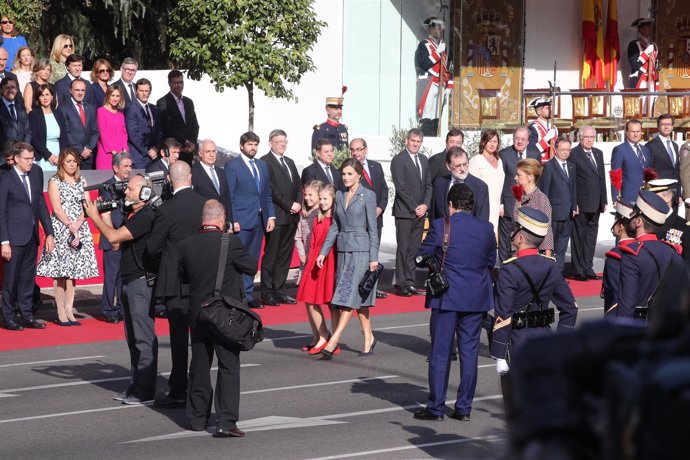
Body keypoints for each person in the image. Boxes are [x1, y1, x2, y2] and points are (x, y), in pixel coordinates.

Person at [412, 183, 495, 422]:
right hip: (476, 298)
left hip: (446, 297)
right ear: (471, 205)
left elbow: (421, 256)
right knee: (469, 354)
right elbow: (490, 261)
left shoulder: (441, 226)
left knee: (440, 353)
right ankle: (464, 408)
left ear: (450, 205)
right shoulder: (486, 228)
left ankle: (436, 407)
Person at [178, 199, 256, 437]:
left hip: (198, 311)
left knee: (199, 364)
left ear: (203, 220)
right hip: (225, 313)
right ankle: (226, 420)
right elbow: (251, 267)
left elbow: (184, 278)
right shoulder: (229, 242)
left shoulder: (186, 244)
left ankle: (197, 418)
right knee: (228, 364)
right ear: (222, 220)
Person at [84, 174, 158, 404]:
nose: (126, 192)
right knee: (133, 338)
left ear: (145, 193)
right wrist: (105, 214)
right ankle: (136, 385)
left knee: (143, 338)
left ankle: (146, 390)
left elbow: (115, 236)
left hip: (140, 283)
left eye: (131, 189)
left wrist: (94, 216)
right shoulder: (133, 214)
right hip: (128, 282)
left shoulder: (146, 215)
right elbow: (115, 243)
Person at [146, 161, 207, 408]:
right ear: (190, 177)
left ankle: (179, 387)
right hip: (201, 278)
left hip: (175, 282)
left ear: (170, 180)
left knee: (179, 339)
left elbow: (152, 247)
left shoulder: (166, 209)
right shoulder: (204, 204)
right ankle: (199, 386)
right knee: (201, 337)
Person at [490, 206, 577, 374]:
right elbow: (570, 308)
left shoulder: (509, 270)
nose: (512, 232)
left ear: (520, 237)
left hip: (518, 341)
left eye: (515, 228)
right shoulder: (550, 265)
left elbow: (503, 314)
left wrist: (499, 354)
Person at [316, 158, 379, 358]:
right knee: (358, 300)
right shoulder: (340, 194)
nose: (345, 177)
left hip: (361, 252)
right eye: (343, 174)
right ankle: (368, 338)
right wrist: (323, 251)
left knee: (348, 298)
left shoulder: (368, 195)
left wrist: (374, 257)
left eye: (350, 173)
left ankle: (333, 340)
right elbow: (335, 226)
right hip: (343, 250)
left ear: (359, 174)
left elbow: (373, 229)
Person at [36, 148, 99, 325]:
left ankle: (70, 310)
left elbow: (87, 205)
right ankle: (60, 312)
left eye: (75, 161)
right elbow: (56, 208)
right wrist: (70, 225)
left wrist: (78, 223)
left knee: (73, 273)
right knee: (61, 273)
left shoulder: (82, 180)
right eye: (69, 161)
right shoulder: (55, 181)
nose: (72, 164)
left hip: (79, 228)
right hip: (61, 228)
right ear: (62, 162)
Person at [0, 142, 55, 331]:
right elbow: (2, 212)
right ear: (16, 159)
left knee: (27, 279)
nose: (30, 162)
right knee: (11, 280)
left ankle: (27, 315)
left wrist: (49, 232)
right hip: (13, 238)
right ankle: (7, 316)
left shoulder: (36, 173)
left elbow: (40, 202)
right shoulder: (5, 177)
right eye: (26, 159)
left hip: (32, 235)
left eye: (32, 158)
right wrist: (4, 241)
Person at [226, 131, 276, 309]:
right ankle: (236, 295)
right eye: (249, 144)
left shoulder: (262, 165)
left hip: (259, 220)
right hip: (242, 220)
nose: (253, 148)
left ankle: (248, 295)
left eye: (255, 144)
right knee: (238, 259)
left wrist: (270, 215)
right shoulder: (233, 166)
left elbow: (266, 193)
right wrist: (234, 219)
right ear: (241, 146)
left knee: (252, 260)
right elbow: (230, 195)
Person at [616, 190, 682, 319]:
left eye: (633, 213)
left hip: (641, 329)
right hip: (668, 328)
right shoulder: (673, 251)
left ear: (639, 222)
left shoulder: (632, 255)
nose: (630, 215)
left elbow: (626, 305)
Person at [260, 129, 301, 306]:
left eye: (285, 141)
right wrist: (288, 204)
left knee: (284, 256)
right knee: (271, 255)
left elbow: (298, 185)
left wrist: (298, 203)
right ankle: (267, 292)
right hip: (276, 216)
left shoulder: (290, 162)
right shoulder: (265, 162)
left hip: (292, 217)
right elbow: (271, 189)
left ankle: (280, 291)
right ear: (270, 143)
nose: (282, 144)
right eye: (279, 141)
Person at [391, 128, 431, 296]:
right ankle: (401, 283)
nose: (415, 144)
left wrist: (425, 205)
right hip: (405, 212)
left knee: (414, 249)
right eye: (413, 141)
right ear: (407, 141)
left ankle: (410, 281)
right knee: (403, 248)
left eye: (418, 141)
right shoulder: (399, 160)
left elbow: (428, 185)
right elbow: (400, 187)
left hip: (420, 213)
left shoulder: (423, 159)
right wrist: (415, 206)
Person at [297, 184, 335, 354]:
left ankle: (324, 337)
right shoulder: (317, 217)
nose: (322, 202)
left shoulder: (333, 219)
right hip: (313, 260)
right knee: (309, 300)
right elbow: (311, 242)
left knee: (316, 301)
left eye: (325, 198)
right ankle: (318, 336)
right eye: (321, 199)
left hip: (325, 262)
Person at [350, 137, 389, 298]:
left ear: (365, 149)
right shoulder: (348, 170)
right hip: (360, 222)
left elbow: (384, 190)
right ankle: (358, 287)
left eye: (359, 149)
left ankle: (372, 287)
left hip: (376, 219)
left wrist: (380, 207)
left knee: (373, 254)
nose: (356, 153)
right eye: (353, 150)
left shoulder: (376, 167)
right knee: (360, 255)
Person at [98, 152, 133, 324]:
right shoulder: (107, 187)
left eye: (130, 166)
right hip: (112, 238)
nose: (129, 169)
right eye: (125, 166)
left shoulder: (132, 186)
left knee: (123, 277)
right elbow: (106, 214)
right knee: (111, 277)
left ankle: (121, 308)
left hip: (128, 237)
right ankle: (108, 309)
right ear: (115, 167)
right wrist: (114, 238)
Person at [569, 126, 607, 281]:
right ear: (580, 138)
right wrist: (574, 203)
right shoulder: (574, 154)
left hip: (596, 202)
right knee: (578, 236)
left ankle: (588, 266)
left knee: (591, 236)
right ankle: (578, 269)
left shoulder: (598, 153)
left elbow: (601, 178)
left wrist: (603, 199)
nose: (589, 140)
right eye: (586, 137)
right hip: (581, 203)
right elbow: (572, 181)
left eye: (592, 137)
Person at [498, 127, 541, 263]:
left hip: (529, 206)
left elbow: (538, 180)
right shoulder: (504, 154)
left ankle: (522, 268)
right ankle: (505, 269)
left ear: (528, 141)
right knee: (506, 240)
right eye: (517, 138)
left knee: (525, 239)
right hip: (509, 204)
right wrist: (500, 204)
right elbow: (499, 181)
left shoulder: (535, 154)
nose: (520, 142)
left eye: (523, 139)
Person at [538, 138, 577, 272]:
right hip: (554, 213)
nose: (565, 153)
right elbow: (545, 190)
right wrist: (545, 211)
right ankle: (548, 272)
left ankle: (558, 273)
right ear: (556, 150)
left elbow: (574, 188)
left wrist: (574, 205)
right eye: (563, 150)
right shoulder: (549, 166)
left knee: (562, 245)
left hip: (568, 213)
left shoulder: (571, 166)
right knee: (550, 245)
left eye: (568, 150)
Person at [414, 17, 453, 136]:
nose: (440, 30)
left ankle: (435, 137)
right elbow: (425, 64)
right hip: (430, 82)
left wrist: (449, 86)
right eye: (437, 27)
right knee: (427, 114)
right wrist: (437, 53)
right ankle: (424, 139)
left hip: (441, 84)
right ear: (431, 29)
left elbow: (449, 69)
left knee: (437, 116)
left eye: (441, 28)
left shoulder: (443, 48)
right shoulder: (424, 44)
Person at [430, 146, 489, 221]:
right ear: (448, 166)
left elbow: (482, 222)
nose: (463, 169)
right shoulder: (439, 183)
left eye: (465, 164)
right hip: (442, 231)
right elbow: (433, 217)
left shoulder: (480, 187)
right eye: (458, 166)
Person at [156, 69, 199, 165]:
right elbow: (167, 128)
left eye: (181, 82)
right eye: (176, 83)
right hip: (174, 151)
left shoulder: (188, 102)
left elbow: (195, 125)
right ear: (169, 84)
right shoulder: (163, 102)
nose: (179, 85)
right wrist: (185, 142)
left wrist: (192, 143)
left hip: (189, 151)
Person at [513, 158, 554, 256]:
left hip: (533, 255)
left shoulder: (541, 199)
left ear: (530, 177)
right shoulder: (520, 197)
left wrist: (547, 259)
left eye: (519, 175)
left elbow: (547, 230)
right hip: (517, 253)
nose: (515, 178)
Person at [602, 200, 636, 316]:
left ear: (621, 227)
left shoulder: (616, 255)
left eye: (616, 219)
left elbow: (615, 297)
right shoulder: (642, 249)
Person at [58, 78, 99, 170]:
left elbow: (95, 131)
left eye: (83, 90)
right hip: (71, 156)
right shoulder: (63, 108)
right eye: (77, 90)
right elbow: (66, 132)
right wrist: (80, 150)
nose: (80, 93)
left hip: (88, 156)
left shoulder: (91, 108)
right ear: (70, 91)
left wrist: (88, 148)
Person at [469, 129, 504, 234]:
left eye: (495, 141)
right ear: (483, 142)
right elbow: (471, 186)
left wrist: (500, 205)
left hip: (495, 206)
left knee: (492, 236)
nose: (492, 144)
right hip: (482, 206)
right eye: (489, 141)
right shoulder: (476, 160)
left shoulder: (499, 160)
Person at [610, 119, 650, 205]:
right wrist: (615, 198)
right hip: (628, 198)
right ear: (626, 132)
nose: (636, 134)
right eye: (632, 132)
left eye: (638, 131)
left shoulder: (645, 150)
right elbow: (615, 175)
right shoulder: (620, 150)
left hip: (645, 198)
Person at [191, 139, 233, 221]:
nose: (211, 154)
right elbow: (192, 201)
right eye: (208, 151)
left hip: (223, 221)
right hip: (205, 222)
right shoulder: (194, 173)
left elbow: (227, 198)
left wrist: (230, 221)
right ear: (200, 153)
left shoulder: (222, 172)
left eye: (214, 151)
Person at [125, 78, 162, 170]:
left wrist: (156, 148)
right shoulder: (131, 108)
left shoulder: (154, 108)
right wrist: (148, 151)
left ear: (150, 92)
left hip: (155, 156)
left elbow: (160, 131)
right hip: (140, 158)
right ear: (136, 91)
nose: (144, 93)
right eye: (141, 91)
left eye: (147, 91)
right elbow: (133, 134)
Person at [647, 114, 680, 210]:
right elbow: (648, 172)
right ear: (658, 126)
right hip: (659, 194)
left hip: (674, 194)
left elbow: (676, 170)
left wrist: (678, 194)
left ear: (672, 126)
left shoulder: (675, 146)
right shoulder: (650, 146)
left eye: (669, 124)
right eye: (663, 124)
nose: (666, 127)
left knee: (673, 223)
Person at [28, 83, 64, 171]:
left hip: (59, 156)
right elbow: (34, 138)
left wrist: (62, 156)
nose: (45, 98)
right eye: (42, 95)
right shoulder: (34, 114)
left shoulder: (58, 113)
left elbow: (64, 137)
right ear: (38, 98)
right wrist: (49, 156)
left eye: (47, 94)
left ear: (52, 96)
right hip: (43, 156)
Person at [294, 180, 322, 290]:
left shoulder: (322, 213)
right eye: (305, 194)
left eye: (310, 195)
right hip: (305, 256)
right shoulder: (303, 215)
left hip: (318, 255)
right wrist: (301, 254)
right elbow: (297, 236)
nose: (306, 197)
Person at [95, 85, 128, 170]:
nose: (115, 98)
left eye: (118, 96)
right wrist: (114, 152)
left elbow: (124, 133)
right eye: (112, 95)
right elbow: (103, 133)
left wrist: (124, 150)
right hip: (107, 154)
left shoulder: (120, 114)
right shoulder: (101, 111)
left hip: (121, 156)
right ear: (108, 96)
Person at [0, 76, 31, 150]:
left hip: (21, 153)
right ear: (1, 90)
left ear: (17, 90)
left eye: (13, 87)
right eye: (7, 87)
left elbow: (27, 131)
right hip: (4, 155)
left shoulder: (21, 107)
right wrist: (10, 150)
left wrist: (24, 148)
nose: (11, 90)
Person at [627, 18, 659, 90]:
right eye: (648, 27)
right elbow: (634, 65)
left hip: (652, 81)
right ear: (641, 29)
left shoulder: (653, 46)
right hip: (640, 80)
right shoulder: (633, 45)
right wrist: (647, 53)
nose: (650, 29)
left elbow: (655, 67)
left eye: (650, 27)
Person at [527, 98, 558, 164]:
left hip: (553, 163)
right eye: (547, 108)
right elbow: (532, 150)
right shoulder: (533, 128)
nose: (550, 110)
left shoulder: (554, 127)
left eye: (550, 108)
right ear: (539, 112)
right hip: (540, 164)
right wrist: (546, 138)